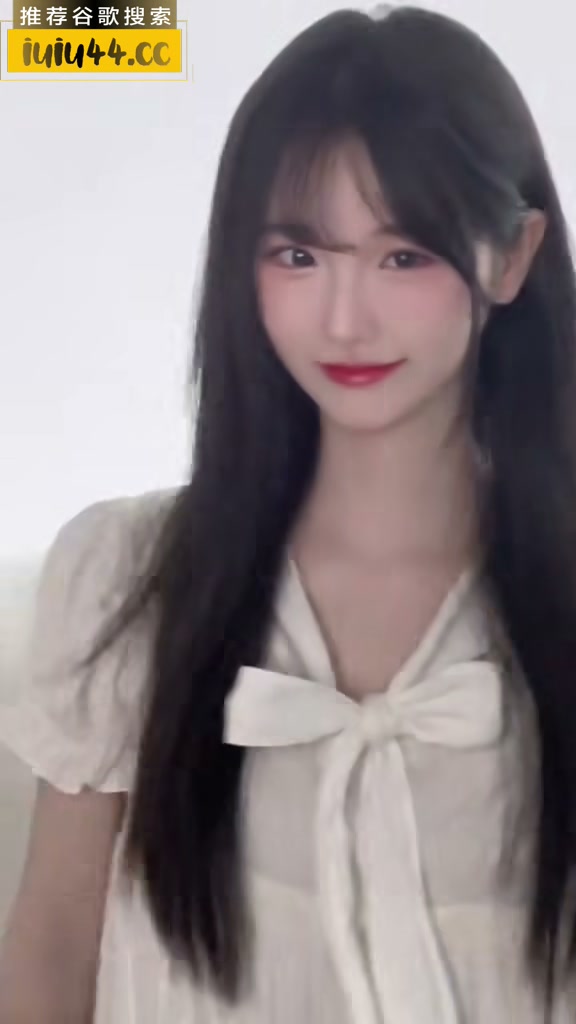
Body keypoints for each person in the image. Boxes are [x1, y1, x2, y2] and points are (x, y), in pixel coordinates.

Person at [1, 4, 575, 1021]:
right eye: (299, 256)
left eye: (404, 257)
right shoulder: (128, 581)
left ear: (513, 255)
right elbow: (49, 956)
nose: (345, 319)